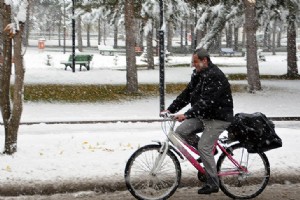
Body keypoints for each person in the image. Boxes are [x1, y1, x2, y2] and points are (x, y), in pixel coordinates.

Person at [164, 48, 234, 194]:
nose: (193, 65)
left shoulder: (215, 76)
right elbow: (188, 94)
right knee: (181, 131)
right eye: (192, 62)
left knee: (204, 146)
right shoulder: (199, 74)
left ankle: (213, 183)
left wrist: (187, 114)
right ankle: (208, 153)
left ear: (205, 61)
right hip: (205, 115)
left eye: (195, 62)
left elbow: (207, 101)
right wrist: (170, 109)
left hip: (219, 117)